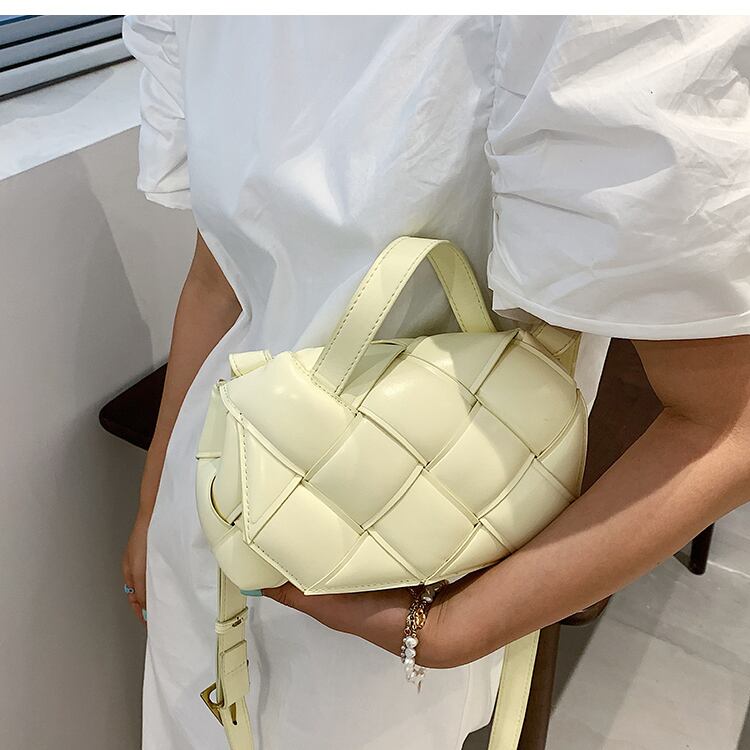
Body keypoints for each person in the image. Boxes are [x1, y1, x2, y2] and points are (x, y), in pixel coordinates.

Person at [120, 15, 750, 750]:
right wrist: (154, 505)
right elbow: (218, 277)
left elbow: (726, 424)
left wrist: (449, 631)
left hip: (401, 577)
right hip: (208, 513)